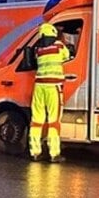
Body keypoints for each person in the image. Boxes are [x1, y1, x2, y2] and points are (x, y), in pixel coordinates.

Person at [28, 22, 70, 163]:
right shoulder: (59, 46)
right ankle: (54, 153)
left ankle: (35, 152)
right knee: (54, 121)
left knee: (36, 120)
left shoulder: (38, 50)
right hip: (53, 86)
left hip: (39, 87)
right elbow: (67, 56)